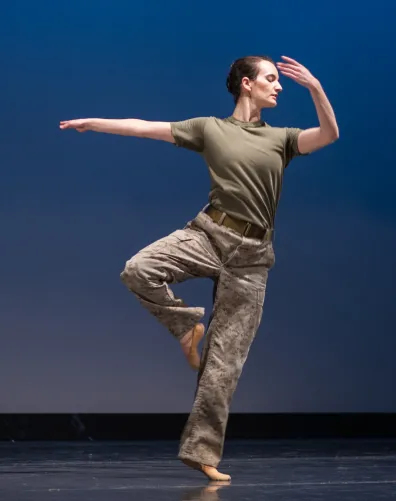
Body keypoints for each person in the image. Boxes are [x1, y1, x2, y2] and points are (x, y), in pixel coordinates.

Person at [60, 54, 339, 480]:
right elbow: (143, 127)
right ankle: (187, 326)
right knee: (139, 269)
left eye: (280, 80)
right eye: (271, 78)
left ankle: (202, 453)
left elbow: (330, 134)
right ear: (246, 84)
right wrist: (95, 122)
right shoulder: (211, 128)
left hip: (251, 258)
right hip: (209, 235)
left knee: (224, 362)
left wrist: (316, 87)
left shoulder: (282, 138)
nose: (279, 86)